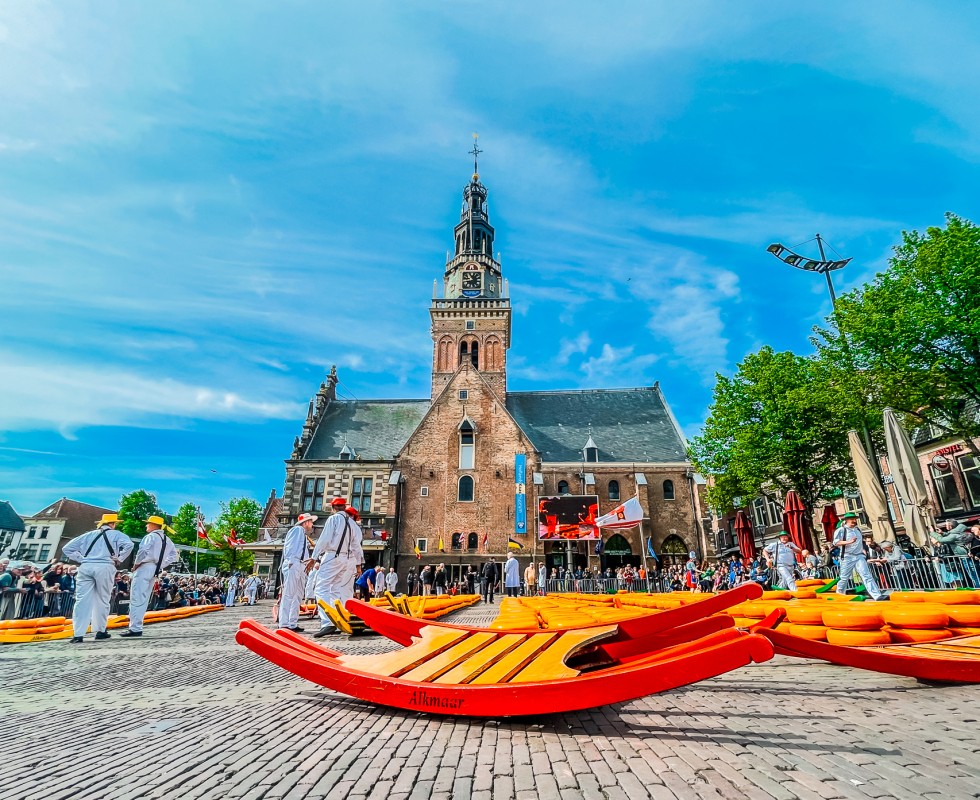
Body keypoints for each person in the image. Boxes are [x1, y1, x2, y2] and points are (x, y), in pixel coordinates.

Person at [63, 513, 134, 642]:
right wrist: (120, 558)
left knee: (82, 600)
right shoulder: (116, 534)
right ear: (112, 524)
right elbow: (129, 545)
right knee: (102, 599)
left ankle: (78, 633)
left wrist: (82, 559)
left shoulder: (88, 535)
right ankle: (100, 630)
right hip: (105, 566)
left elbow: (66, 548)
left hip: (86, 566)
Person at [311, 499, 363, 638]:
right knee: (335, 589)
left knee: (320, 587)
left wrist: (314, 556)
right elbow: (356, 546)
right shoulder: (353, 524)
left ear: (333, 508)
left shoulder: (333, 519)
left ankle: (327, 622)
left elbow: (324, 539)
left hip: (332, 556)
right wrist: (358, 564)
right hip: (345, 559)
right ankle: (337, 619)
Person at [122, 515, 178, 638]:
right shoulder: (167, 539)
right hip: (155, 568)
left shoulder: (150, 537)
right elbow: (174, 555)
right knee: (145, 598)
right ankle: (137, 625)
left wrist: (136, 564)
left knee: (137, 597)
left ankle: (135, 627)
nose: (146, 525)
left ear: (154, 525)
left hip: (145, 566)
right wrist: (162, 563)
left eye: (148, 523)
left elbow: (142, 551)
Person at [279, 512, 317, 632]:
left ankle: (292, 622)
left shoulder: (303, 535)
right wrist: (293, 562)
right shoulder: (297, 530)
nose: (312, 525)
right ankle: (284, 623)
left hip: (301, 565)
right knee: (289, 594)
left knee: (298, 595)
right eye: (311, 522)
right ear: (305, 522)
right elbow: (290, 549)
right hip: (294, 563)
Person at [834, 513, 884, 600]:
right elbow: (835, 542)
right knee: (844, 578)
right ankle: (839, 595)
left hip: (858, 556)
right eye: (851, 519)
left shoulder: (857, 530)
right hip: (847, 556)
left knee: (866, 575)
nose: (854, 521)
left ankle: (877, 595)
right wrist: (848, 542)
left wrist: (862, 550)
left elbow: (860, 543)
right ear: (846, 520)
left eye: (854, 519)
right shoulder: (841, 530)